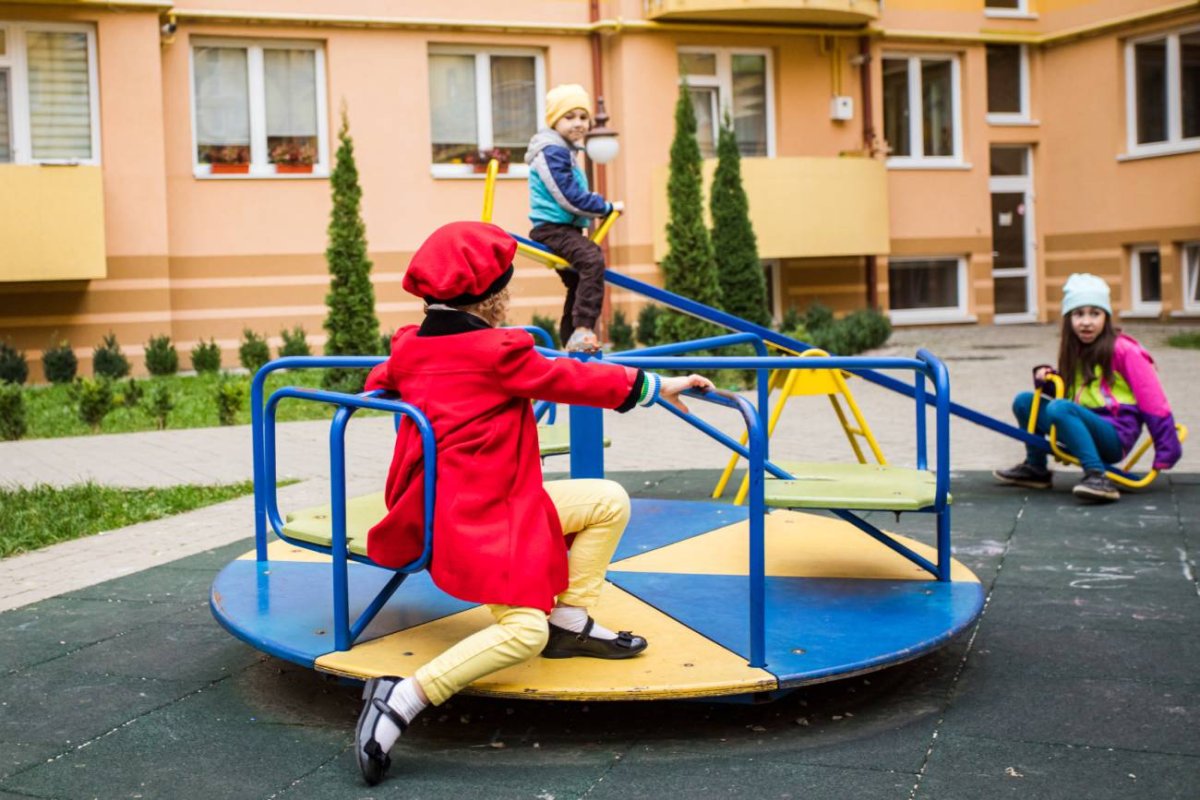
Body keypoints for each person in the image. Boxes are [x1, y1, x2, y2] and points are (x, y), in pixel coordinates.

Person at [353, 221, 713, 785]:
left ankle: (569, 621)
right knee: (524, 632)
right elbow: (570, 378)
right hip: (477, 522)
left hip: (478, 501)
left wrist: (382, 388)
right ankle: (402, 698)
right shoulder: (497, 350)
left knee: (606, 500)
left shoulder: (410, 347)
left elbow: (382, 377)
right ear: (492, 298)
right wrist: (654, 386)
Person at [993, 273, 1181, 502]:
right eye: (1078, 314)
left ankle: (1097, 475)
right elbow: (1073, 393)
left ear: (1106, 317)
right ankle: (1036, 467)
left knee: (1059, 408)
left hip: (1114, 437)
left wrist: (1167, 448)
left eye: (1095, 313)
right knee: (1024, 401)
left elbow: (1153, 400)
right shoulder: (1076, 349)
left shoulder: (1125, 350)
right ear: (1069, 319)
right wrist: (1049, 378)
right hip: (1083, 426)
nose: (1086, 321)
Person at [525, 83, 622, 353]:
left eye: (583, 117)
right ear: (554, 120)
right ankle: (582, 330)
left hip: (565, 229)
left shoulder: (564, 150)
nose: (578, 123)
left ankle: (572, 340)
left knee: (579, 281)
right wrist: (604, 207)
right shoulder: (552, 151)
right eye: (569, 117)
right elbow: (568, 196)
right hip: (553, 229)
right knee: (592, 259)